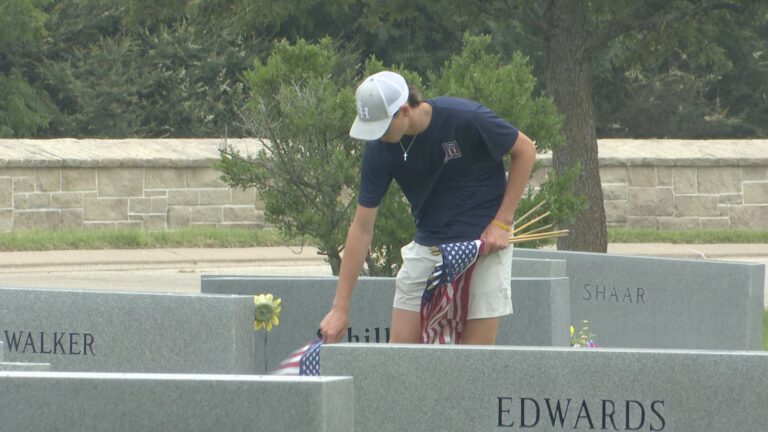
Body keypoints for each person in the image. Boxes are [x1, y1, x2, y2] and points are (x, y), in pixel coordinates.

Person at [319, 70, 536, 345]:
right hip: (428, 244)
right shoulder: (379, 149)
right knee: (402, 360)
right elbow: (362, 228)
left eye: (383, 127)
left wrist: (503, 222)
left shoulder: (464, 117)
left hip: (484, 243)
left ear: (404, 110)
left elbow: (525, 150)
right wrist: (340, 308)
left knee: (473, 364)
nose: (379, 136)